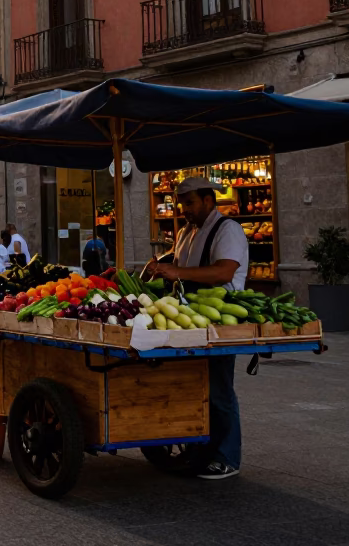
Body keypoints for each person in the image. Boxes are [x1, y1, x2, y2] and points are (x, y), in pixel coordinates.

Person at [144, 176, 250, 481]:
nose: (184, 209)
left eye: (189, 203)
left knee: (218, 388)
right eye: (182, 203)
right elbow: (179, 262)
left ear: (208, 200)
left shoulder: (227, 229)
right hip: (188, 317)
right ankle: (199, 447)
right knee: (192, 385)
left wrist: (178, 271)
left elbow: (223, 271)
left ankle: (227, 457)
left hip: (218, 316)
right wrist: (161, 265)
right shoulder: (186, 231)